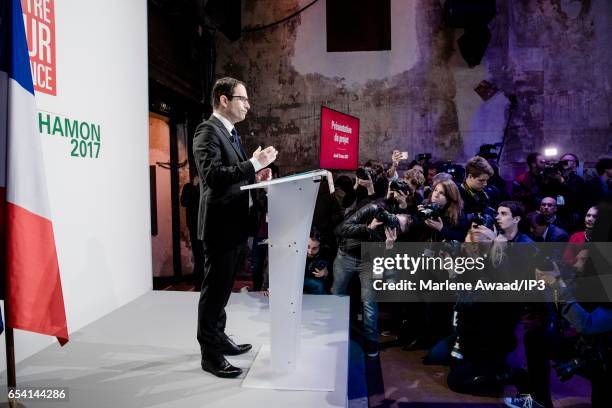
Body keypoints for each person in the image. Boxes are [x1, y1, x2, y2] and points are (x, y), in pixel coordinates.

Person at [193, 77, 278, 378]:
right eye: (243, 99)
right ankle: (210, 355)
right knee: (214, 292)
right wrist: (253, 164)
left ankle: (219, 337)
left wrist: (256, 176)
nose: (247, 105)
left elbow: (235, 178)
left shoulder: (230, 133)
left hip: (236, 225)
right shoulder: (207, 131)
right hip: (220, 226)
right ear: (224, 100)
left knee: (223, 290)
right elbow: (214, 176)